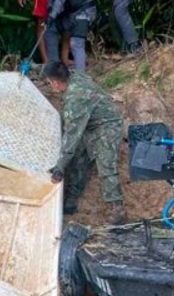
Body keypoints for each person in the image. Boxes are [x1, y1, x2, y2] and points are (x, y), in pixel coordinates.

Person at [44, 61, 126, 223]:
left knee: (105, 164)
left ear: (56, 82)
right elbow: (54, 68)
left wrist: (60, 167)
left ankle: (118, 211)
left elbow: (71, 137)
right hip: (91, 123)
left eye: (49, 82)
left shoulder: (75, 99)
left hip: (108, 125)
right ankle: (71, 201)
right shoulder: (72, 75)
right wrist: (32, 67)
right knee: (80, 158)